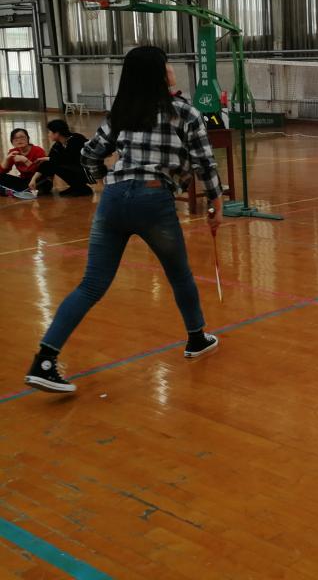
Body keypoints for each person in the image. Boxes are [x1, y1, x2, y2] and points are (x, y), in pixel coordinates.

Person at [24, 46, 224, 394]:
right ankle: (196, 338)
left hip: (114, 200)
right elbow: (204, 163)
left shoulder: (121, 113)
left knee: (91, 285)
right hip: (153, 199)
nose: (171, 69)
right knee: (179, 275)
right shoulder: (184, 112)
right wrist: (216, 202)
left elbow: (89, 153)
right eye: (166, 65)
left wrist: (101, 179)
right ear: (158, 73)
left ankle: (44, 360)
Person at [28, 119, 92, 197]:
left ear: (57, 133)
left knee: (57, 164)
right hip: (76, 170)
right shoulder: (58, 145)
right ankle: (76, 187)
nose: (48, 134)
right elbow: (48, 161)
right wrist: (33, 179)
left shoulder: (76, 139)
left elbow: (70, 160)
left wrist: (47, 159)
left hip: (88, 171)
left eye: (49, 132)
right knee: (50, 163)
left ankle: (81, 188)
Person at [1, 128, 46, 198]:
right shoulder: (13, 152)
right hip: (24, 181)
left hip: (38, 180)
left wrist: (25, 160)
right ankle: (20, 192)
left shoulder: (38, 150)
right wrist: (7, 158)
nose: (19, 140)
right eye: (15, 138)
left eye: (22, 137)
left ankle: (13, 192)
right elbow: (2, 172)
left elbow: (42, 170)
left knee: (43, 184)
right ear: (12, 142)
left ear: (28, 139)